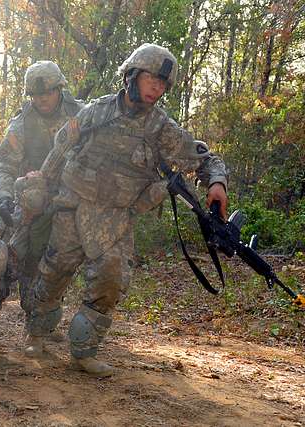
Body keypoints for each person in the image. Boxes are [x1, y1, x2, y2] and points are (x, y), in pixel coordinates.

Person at [23, 43, 229, 377]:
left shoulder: (161, 128)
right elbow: (63, 146)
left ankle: (84, 351)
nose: (156, 88)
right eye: (151, 79)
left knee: (111, 278)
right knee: (55, 270)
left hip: (115, 216)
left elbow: (203, 158)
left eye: (162, 84)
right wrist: (42, 182)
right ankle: (36, 333)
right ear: (132, 75)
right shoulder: (96, 111)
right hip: (73, 204)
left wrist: (216, 182)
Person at [0, 60, 85, 316]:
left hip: (73, 195)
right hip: (33, 199)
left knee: (63, 258)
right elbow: (5, 168)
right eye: (36, 94)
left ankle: (48, 310)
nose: (43, 99)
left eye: (48, 92)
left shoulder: (81, 115)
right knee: (22, 255)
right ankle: (31, 312)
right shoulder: (21, 125)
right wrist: (3, 198)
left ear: (59, 89)